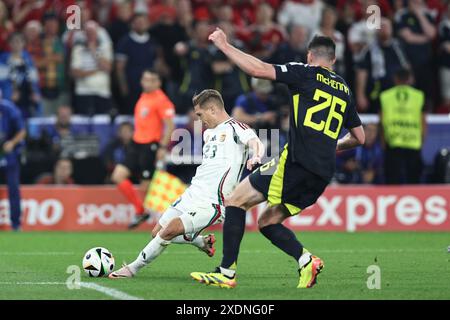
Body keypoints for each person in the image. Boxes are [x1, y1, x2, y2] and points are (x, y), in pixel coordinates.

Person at [190, 31, 365, 289]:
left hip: (297, 161)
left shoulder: (305, 72)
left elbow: (258, 69)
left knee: (236, 201)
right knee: (268, 221)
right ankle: (306, 261)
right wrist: (331, 146)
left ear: (309, 56)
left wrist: (226, 46)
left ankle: (226, 273)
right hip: (322, 172)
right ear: (334, 59)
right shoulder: (345, 90)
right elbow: (359, 137)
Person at [108, 89, 265, 279]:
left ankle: (132, 268)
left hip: (213, 202)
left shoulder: (236, 127)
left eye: (200, 114)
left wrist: (256, 155)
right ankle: (201, 242)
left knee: (170, 230)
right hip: (192, 193)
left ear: (213, 109)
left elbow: (255, 141)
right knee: (157, 232)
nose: (199, 119)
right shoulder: (209, 133)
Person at [111, 70, 175, 229]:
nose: (147, 83)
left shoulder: (162, 100)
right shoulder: (143, 97)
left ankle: (164, 214)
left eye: (151, 80)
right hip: (136, 144)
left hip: (150, 146)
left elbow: (170, 126)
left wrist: (161, 147)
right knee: (117, 176)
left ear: (158, 83)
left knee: (145, 186)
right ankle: (141, 210)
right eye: (145, 79)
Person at [380, 68, 426, 184]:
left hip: (393, 143)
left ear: (395, 79)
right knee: (414, 181)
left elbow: (381, 121)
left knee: (392, 182)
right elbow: (423, 122)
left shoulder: (385, 96)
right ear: (409, 79)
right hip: (413, 143)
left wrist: (383, 143)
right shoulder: (419, 96)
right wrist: (421, 141)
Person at [0, 98, 26, 231]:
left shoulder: (9, 109)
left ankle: (16, 224)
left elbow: (22, 131)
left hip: (8, 152)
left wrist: (12, 143)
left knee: (13, 188)